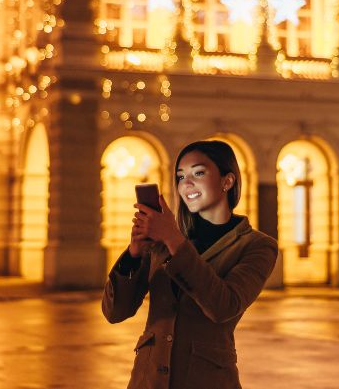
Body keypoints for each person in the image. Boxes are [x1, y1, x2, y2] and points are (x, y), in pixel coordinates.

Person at [102, 140, 279, 389]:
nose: (186, 183)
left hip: (207, 379)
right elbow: (115, 312)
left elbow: (223, 305)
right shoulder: (163, 239)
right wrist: (134, 252)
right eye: (180, 176)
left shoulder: (257, 246)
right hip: (148, 380)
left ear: (227, 182)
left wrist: (173, 238)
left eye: (198, 173)